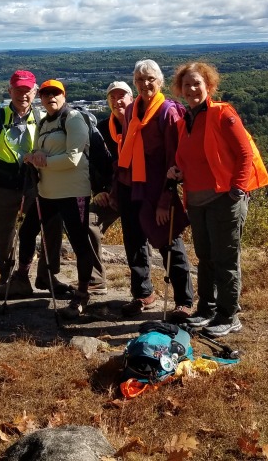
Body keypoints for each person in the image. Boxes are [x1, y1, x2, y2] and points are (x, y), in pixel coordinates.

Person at [168, 62, 268, 337]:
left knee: (225, 258)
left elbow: (245, 154)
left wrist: (237, 189)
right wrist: (177, 170)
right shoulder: (183, 122)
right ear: (180, 89)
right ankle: (206, 310)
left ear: (209, 86)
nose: (191, 89)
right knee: (205, 257)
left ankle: (229, 315)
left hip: (224, 198)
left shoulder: (223, 114)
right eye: (186, 85)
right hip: (197, 200)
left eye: (197, 83)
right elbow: (188, 159)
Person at [116, 59, 194, 319]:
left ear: (160, 82)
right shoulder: (132, 110)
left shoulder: (169, 111)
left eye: (150, 79)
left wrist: (165, 200)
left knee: (168, 242)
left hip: (157, 188)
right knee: (134, 242)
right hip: (131, 185)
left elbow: (176, 160)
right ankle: (143, 294)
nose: (145, 84)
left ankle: (184, 301)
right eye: (139, 79)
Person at [0, 70, 54, 291]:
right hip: (1, 186)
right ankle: (8, 278)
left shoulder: (42, 120)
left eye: (28, 90)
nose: (23, 95)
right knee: (3, 236)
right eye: (18, 90)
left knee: (42, 229)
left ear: (35, 92)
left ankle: (42, 275)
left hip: (33, 185)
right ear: (10, 91)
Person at [24, 79, 94, 318]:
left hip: (74, 192)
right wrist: (34, 156)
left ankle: (82, 293)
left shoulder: (73, 119)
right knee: (27, 231)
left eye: (55, 93)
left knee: (79, 243)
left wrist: (41, 161)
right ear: (40, 98)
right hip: (47, 193)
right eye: (45, 94)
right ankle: (24, 277)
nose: (50, 97)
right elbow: (41, 152)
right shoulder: (44, 122)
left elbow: (73, 159)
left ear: (64, 96)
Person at [86, 81, 134, 294]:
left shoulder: (141, 125)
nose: (117, 101)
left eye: (122, 96)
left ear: (131, 98)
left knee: (141, 237)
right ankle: (95, 280)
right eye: (112, 98)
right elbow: (93, 164)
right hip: (112, 194)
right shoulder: (102, 129)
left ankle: (142, 291)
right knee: (87, 222)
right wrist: (99, 191)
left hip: (139, 193)